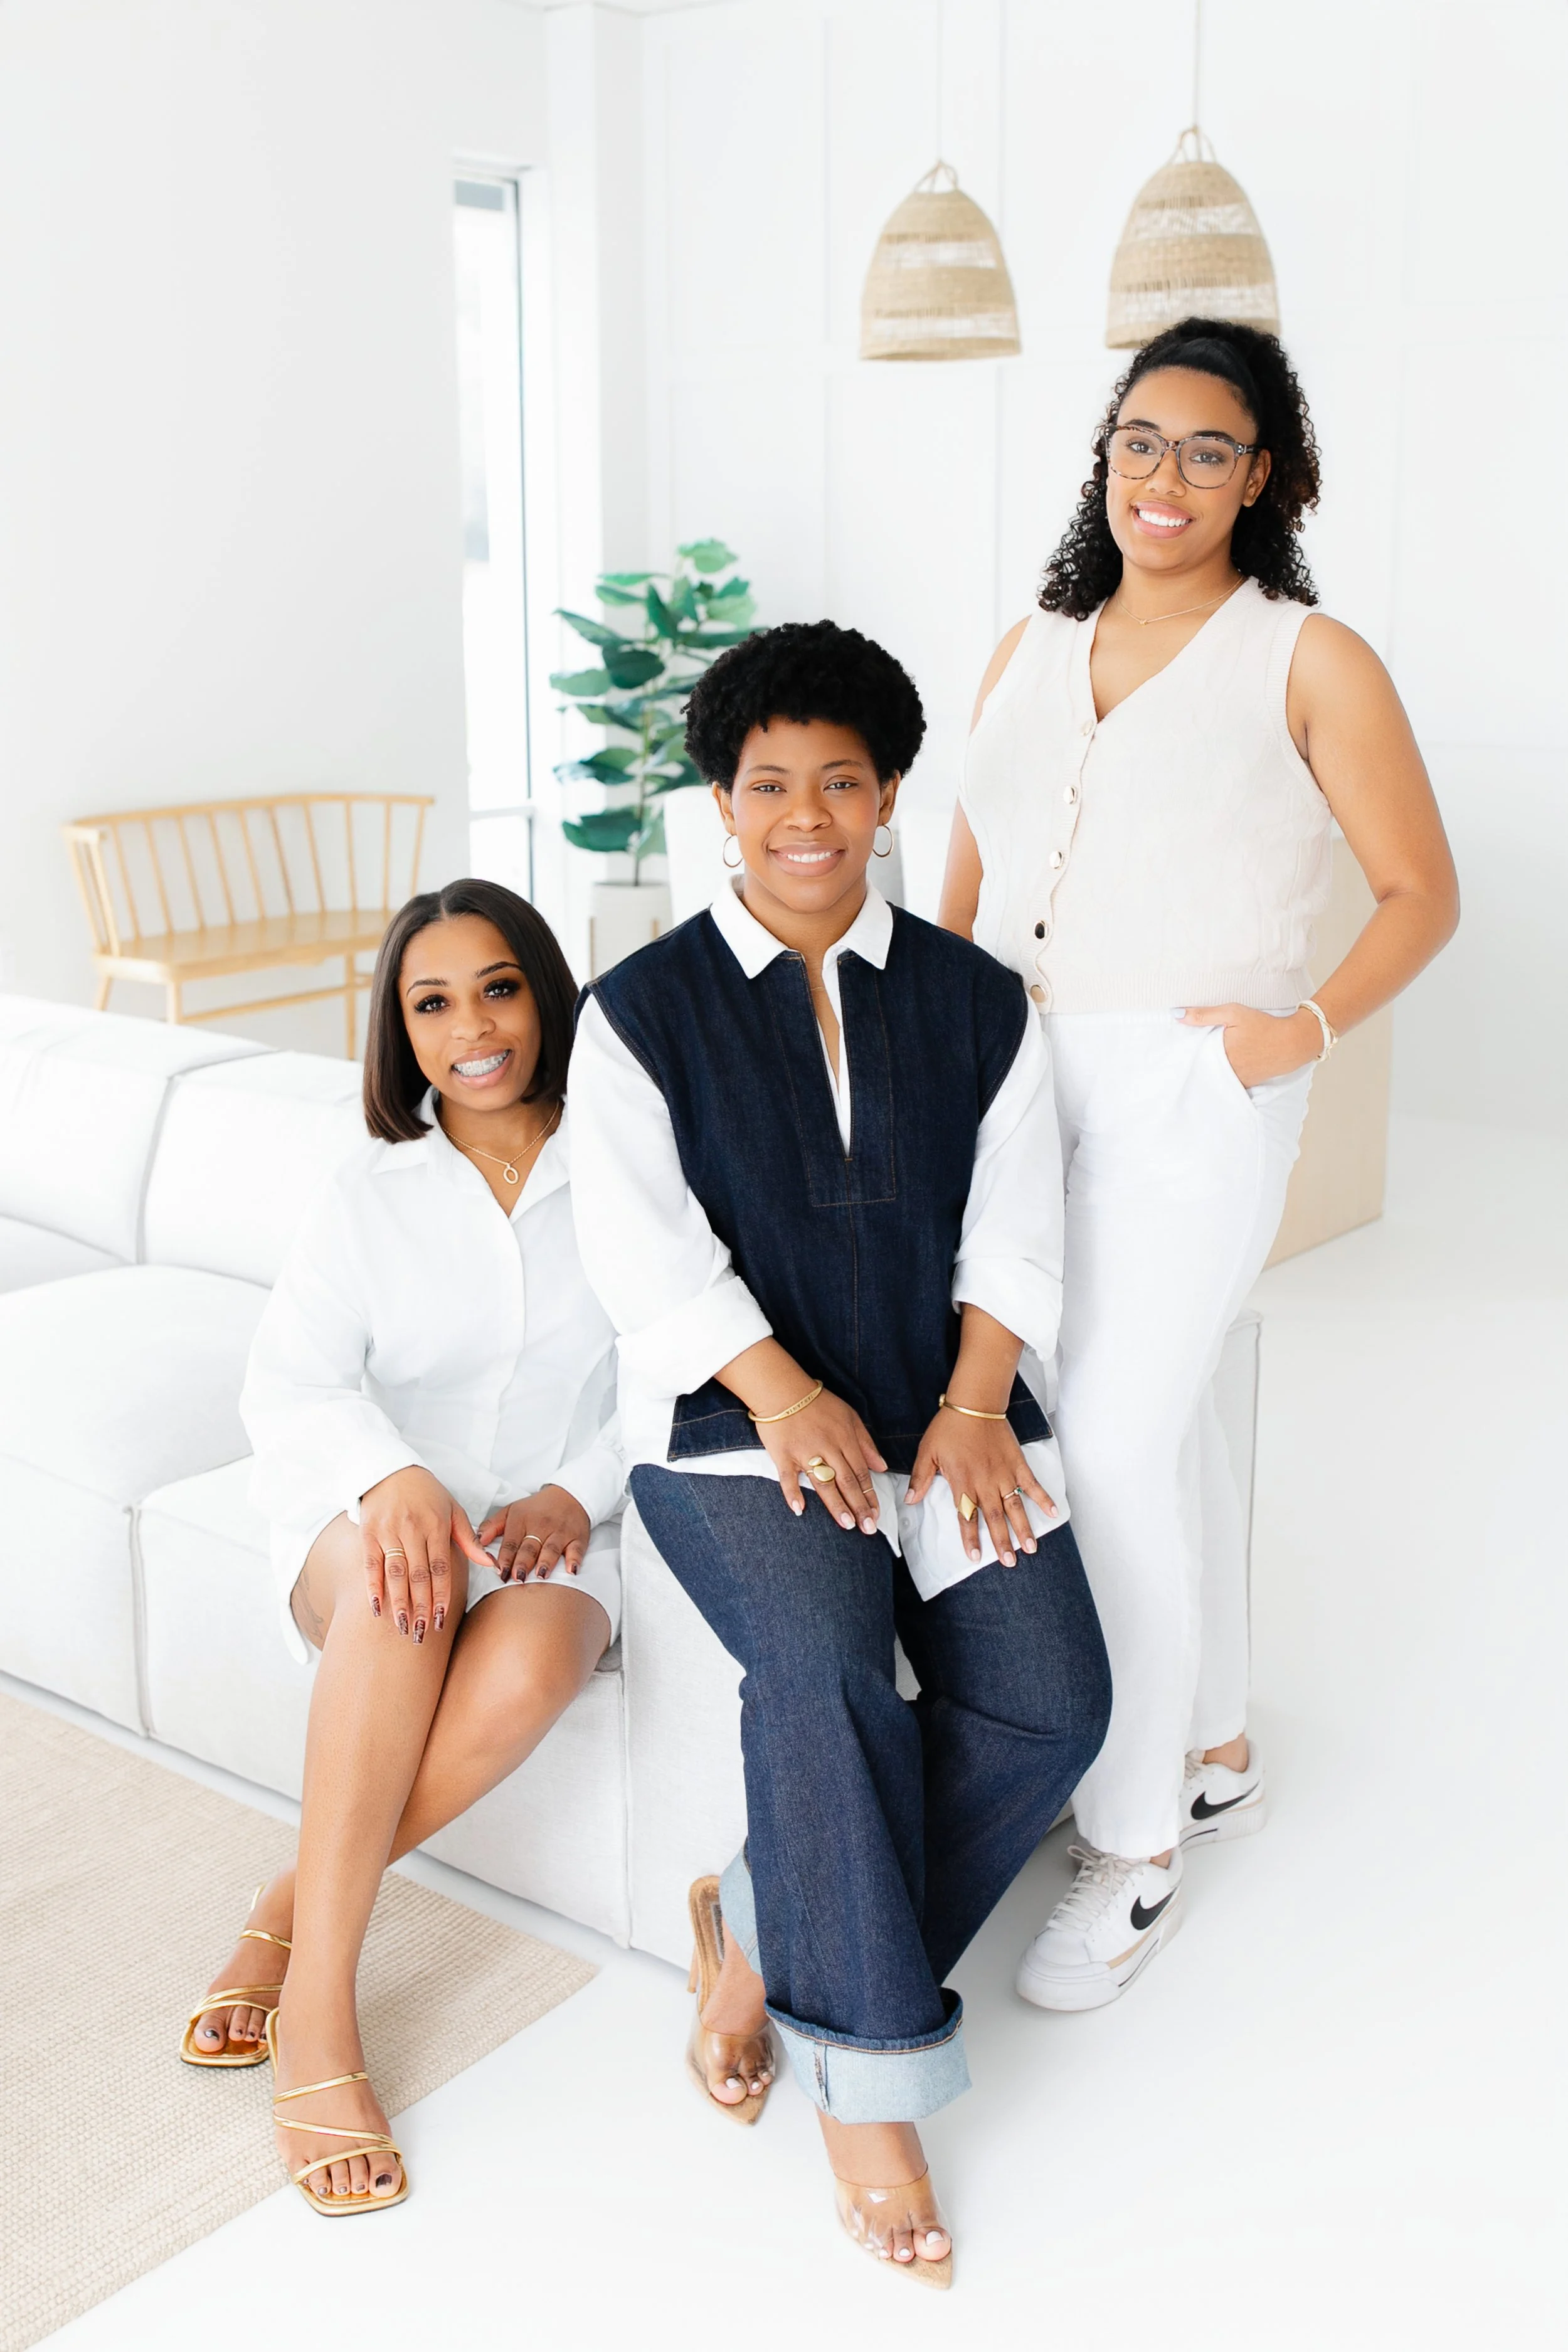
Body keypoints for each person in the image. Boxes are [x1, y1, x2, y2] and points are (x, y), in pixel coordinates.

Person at [568, 619, 1111, 2285]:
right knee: (822, 1673)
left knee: (1049, 1699)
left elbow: (1018, 1226)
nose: (803, 813)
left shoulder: (973, 999)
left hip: (945, 1411)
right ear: (719, 803)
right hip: (735, 1434)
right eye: (765, 783)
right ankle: (868, 2094)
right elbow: (637, 1247)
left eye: (840, 780)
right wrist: (782, 1390)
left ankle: (758, 1919)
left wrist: (963, 1405)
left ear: (887, 795)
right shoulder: (638, 1012)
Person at [940, 317, 1459, 2010]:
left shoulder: (1310, 657)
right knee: (1168, 1422)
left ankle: (1133, 1835)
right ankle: (1216, 1735)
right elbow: (963, 867)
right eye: (1138, 441)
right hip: (1013, 1074)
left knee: (1101, 1434)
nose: (1164, 477)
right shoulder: (1024, 642)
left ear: (1269, 477)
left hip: (1190, 1084)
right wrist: (931, 1050)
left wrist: (1281, 1040)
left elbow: (1417, 894)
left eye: (1208, 449)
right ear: (1105, 458)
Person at [179, 878, 624, 2217]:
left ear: (543, 991)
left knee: (538, 1654)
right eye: (431, 1003)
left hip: (559, 1527)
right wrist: (394, 1479)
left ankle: (292, 1892)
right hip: (367, 1519)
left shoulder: (627, 1166)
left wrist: (571, 1485)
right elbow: (292, 1386)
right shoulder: (370, 1191)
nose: (471, 1028)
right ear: (399, 1030)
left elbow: (670, 1368)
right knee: (403, 1592)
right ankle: (321, 2022)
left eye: (497, 987)